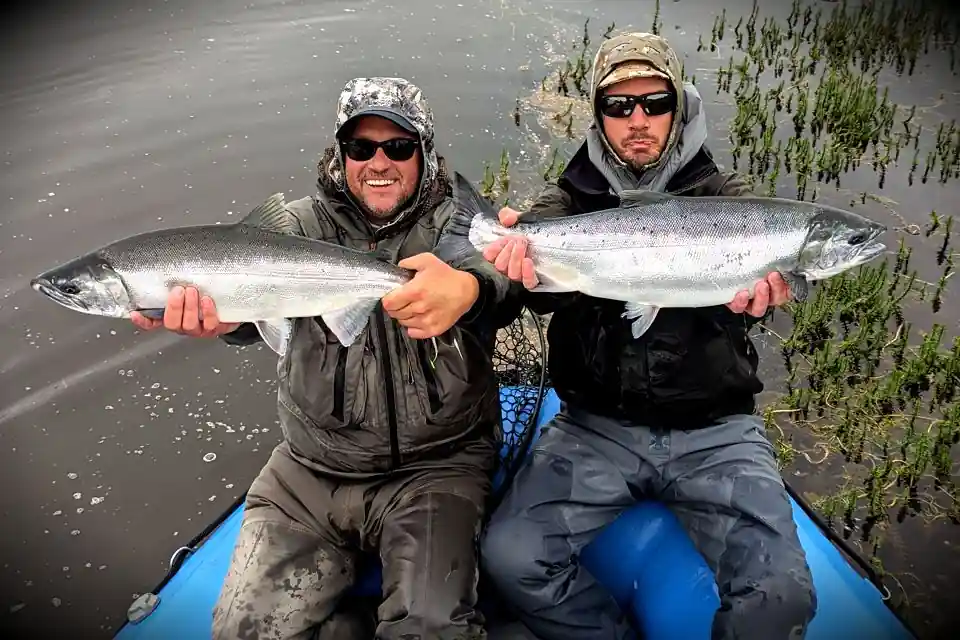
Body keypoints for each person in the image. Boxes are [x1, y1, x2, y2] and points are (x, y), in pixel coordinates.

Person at [132, 76, 519, 640]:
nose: (378, 162)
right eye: (361, 148)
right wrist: (230, 321)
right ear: (341, 154)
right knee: (243, 632)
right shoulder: (293, 226)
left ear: (425, 150)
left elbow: (507, 279)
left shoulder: (458, 223)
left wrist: (471, 289)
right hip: (307, 473)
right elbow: (244, 308)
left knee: (433, 629)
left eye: (399, 146)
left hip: (439, 467)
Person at [478, 32, 817, 640]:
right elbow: (519, 288)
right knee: (509, 556)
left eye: (655, 104)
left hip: (718, 432)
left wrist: (763, 302)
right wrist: (507, 267)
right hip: (593, 429)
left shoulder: (730, 201)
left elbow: (760, 285)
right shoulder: (565, 201)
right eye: (619, 106)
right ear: (599, 115)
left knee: (783, 598)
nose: (639, 120)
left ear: (679, 106)